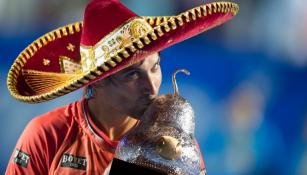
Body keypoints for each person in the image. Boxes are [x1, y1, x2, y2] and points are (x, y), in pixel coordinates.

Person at [5, 0, 238, 174]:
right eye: (133, 74)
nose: (151, 86)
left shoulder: (175, 143)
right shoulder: (46, 134)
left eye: (155, 67)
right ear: (98, 80)